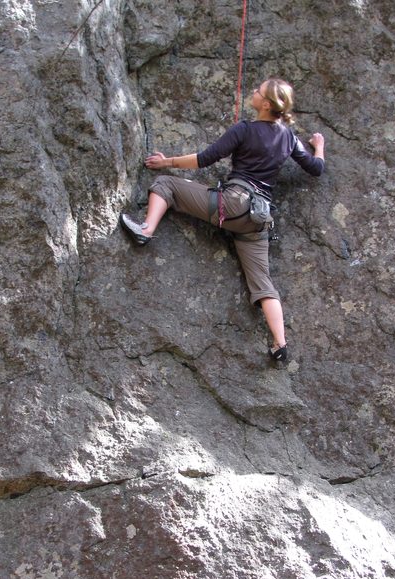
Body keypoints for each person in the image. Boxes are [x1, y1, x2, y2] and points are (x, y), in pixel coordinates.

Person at [119, 77, 325, 364]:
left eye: (258, 91)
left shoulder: (245, 129)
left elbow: (205, 158)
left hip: (232, 204)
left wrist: (167, 162)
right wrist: (319, 145)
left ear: (265, 104)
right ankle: (280, 343)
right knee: (263, 283)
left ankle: (146, 229)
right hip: (258, 219)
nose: (253, 91)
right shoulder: (289, 138)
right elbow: (316, 168)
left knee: (166, 185)